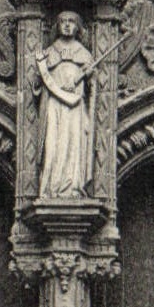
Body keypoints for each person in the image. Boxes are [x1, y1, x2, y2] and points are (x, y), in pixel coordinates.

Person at [35, 11, 94, 198]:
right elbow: (38, 84)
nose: (67, 25)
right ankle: (51, 187)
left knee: (74, 143)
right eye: (63, 22)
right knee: (54, 143)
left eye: (72, 22)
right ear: (57, 26)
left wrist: (91, 76)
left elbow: (94, 89)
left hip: (75, 106)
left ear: (78, 27)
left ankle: (72, 186)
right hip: (54, 103)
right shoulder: (49, 52)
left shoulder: (84, 54)